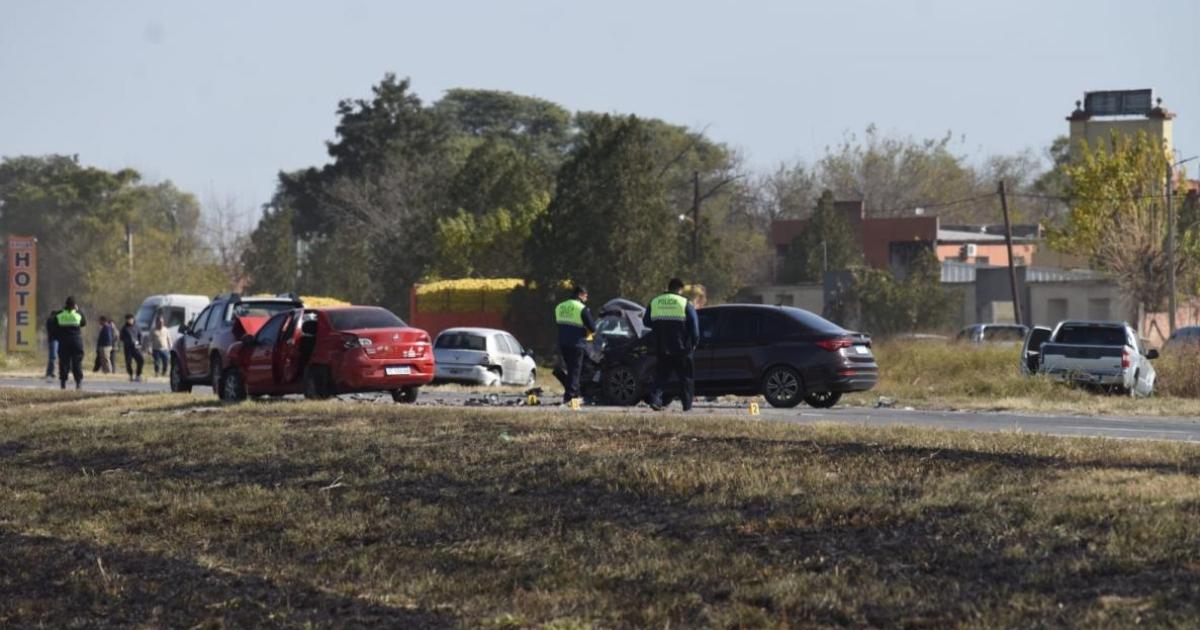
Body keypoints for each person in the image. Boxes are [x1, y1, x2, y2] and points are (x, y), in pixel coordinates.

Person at [644, 278, 700, 412]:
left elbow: (646, 321)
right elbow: (694, 327)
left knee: (661, 377)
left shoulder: (655, 302)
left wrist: (659, 326)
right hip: (682, 349)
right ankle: (687, 406)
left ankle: (656, 401)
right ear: (680, 289)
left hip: (662, 347)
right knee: (685, 379)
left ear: (668, 287)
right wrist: (694, 342)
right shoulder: (684, 303)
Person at [554, 285, 596, 405]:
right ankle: (571, 397)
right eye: (586, 295)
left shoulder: (559, 307)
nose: (587, 298)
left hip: (563, 343)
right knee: (575, 371)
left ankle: (573, 394)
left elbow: (561, 325)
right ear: (580, 294)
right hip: (577, 344)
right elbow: (593, 328)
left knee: (571, 370)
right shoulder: (581, 308)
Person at [50, 296, 87, 390]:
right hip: (76, 341)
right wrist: (77, 310)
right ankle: (78, 383)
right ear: (74, 305)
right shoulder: (78, 314)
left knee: (63, 362)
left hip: (64, 342)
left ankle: (63, 383)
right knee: (77, 362)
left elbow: (53, 322)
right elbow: (83, 323)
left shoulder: (60, 315)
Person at [119, 313, 145, 382]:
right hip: (128, 348)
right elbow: (121, 337)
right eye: (127, 319)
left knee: (141, 360)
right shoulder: (124, 328)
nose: (129, 321)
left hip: (136, 348)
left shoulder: (137, 327)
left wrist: (140, 343)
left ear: (133, 319)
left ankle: (138, 375)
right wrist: (127, 341)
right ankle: (130, 375)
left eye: (130, 319)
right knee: (128, 362)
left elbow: (140, 336)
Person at [44, 309, 60, 382]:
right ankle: (50, 373)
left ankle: (51, 372)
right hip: (54, 340)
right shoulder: (52, 320)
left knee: (53, 357)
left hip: (53, 340)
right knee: (53, 357)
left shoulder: (49, 320)